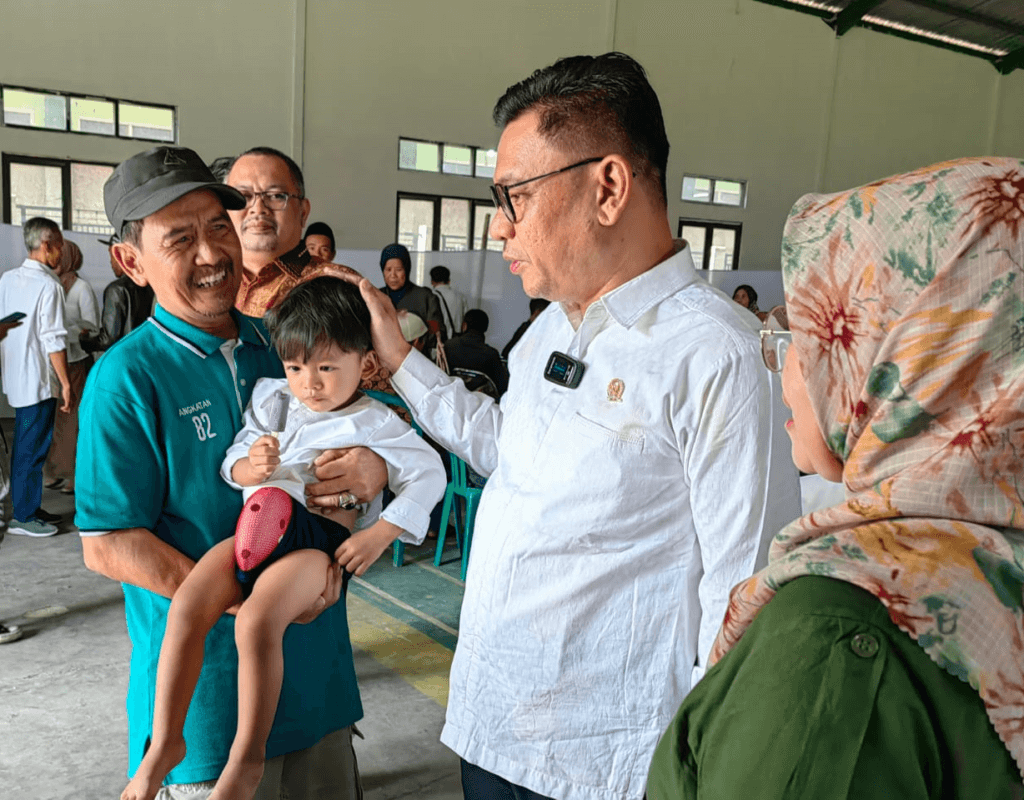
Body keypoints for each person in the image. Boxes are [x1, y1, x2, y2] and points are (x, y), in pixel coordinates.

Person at [343, 52, 801, 800]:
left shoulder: (718, 354)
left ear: (608, 186)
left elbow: (743, 596)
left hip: (602, 761)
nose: (500, 229)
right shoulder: (551, 330)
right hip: (493, 722)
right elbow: (505, 450)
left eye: (513, 196)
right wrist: (399, 362)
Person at [647, 157, 1024, 798]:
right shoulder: (998, 554)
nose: (785, 362)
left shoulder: (835, 638)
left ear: (904, 352)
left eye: (804, 331)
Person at [77, 145, 390, 800]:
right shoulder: (127, 378)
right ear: (130, 261)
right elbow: (108, 544)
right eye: (180, 239)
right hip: (211, 706)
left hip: (318, 687)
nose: (212, 254)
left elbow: (356, 444)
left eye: (219, 226)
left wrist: (368, 469)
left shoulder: (283, 350)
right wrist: (250, 604)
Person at [121, 277, 444, 800]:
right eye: (295, 367)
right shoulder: (274, 400)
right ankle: (164, 745)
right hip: (254, 532)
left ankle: (247, 756)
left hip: (313, 544)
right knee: (187, 606)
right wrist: (251, 465)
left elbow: (429, 473)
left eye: (325, 367)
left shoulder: (376, 421)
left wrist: (382, 532)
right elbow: (233, 458)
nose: (309, 383)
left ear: (364, 363)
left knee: (255, 623)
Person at [0, 217, 72, 538]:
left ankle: (29, 505)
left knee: (25, 445)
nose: (62, 252)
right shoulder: (49, 285)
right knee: (33, 448)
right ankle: (24, 516)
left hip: (16, 375)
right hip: (40, 380)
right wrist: (66, 382)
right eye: (59, 245)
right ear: (46, 246)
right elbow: (53, 339)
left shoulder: (7, 279)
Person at [225, 147, 357, 316]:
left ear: (303, 212)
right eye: (243, 196)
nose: (258, 209)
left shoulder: (336, 285)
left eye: (276, 196)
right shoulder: (211, 280)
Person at [43, 240, 99, 494]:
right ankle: (55, 472)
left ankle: (76, 476)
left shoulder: (81, 288)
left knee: (75, 421)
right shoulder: (52, 285)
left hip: (76, 361)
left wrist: (67, 331)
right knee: (57, 420)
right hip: (56, 362)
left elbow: (93, 327)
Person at [80, 235, 155, 353]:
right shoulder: (151, 284)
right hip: (146, 353)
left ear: (122, 255)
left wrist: (84, 340)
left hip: (124, 357)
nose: (110, 261)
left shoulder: (116, 289)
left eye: (112, 255)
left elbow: (108, 339)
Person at [379, 243, 445, 339]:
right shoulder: (376, 296)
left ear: (407, 269)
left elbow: (438, 333)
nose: (393, 275)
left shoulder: (426, 297)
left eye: (398, 269)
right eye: (388, 269)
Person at [444, 309, 508, 397]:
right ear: (485, 328)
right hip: (480, 405)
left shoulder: (448, 346)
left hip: (451, 400)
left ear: (464, 326)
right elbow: (502, 388)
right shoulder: (491, 354)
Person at [430, 265, 467, 339]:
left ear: (432, 281)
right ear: (448, 281)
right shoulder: (460, 297)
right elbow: (465, 323)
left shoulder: (430, 296)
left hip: (436, 342)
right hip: (456, 341)